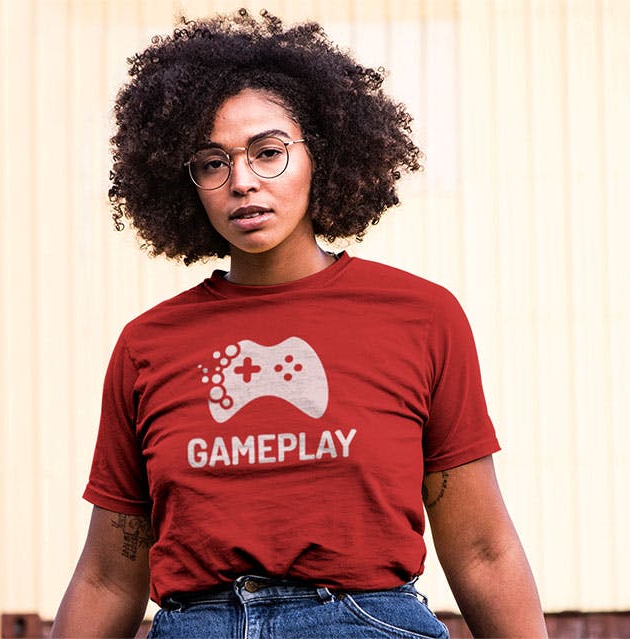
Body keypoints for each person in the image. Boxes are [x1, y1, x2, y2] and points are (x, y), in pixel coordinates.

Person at [51, 10, 546, 638]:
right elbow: (107, 576)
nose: (242, 182)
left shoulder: (420, 317)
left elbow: (481, 549)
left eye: (269, 152)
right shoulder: (148, 345)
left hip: (365, 622)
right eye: (211, 162)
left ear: (323, 154)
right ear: (187, 183)